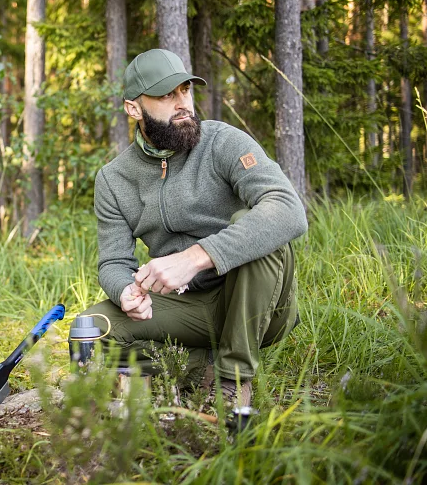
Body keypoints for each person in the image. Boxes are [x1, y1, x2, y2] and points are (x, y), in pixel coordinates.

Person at [83, 48, 307, 407]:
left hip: (256, 301)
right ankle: (202, 366)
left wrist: (197, 257)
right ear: (133, 108)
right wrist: (124, 289)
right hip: (186, 309)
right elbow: (112, 262)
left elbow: (288, 209)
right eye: (166, 95)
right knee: (90, 330)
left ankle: (235, 380)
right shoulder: (113, 179)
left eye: (185, 90)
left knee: (250, 224)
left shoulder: (223, 142)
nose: (182, 103)